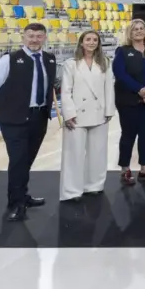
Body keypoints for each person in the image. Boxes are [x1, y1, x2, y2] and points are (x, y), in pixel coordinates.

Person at [0, 22, 58, 222]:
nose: (34, 39)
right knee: (18, 160)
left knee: (27, 161)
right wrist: (11, 105)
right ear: (23, 37)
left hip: (39, 116)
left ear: (45, 38)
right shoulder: (9, 60)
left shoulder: (50, 59)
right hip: (14, 119)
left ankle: (21, 196)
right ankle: (16, 203)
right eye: (30, 36)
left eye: (39, 36)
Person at [59, 29, 115, 202]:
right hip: (77, 115)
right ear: (81, 42)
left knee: (98, 152)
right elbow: (66, 91)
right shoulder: (71, 64)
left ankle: (94, 185)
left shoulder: (105, 62)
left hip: (99, 113)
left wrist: (109, 110)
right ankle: (71, 191)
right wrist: (68, 114)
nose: (91, 42)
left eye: (95, 40)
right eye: (88, 39)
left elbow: (109, 88)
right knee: (73, 154)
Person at [112, 19, 145, 186]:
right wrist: (139, 90)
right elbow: (120, 74)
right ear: (130, 32)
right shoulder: (122, 51)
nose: (138, 31)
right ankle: (125, 170)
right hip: (128, 100)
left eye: (142, 28)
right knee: (128, 135)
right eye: (135, 29)